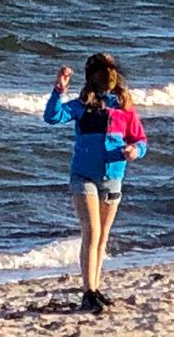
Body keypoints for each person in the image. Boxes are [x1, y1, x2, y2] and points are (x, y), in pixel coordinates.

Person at [43, 56, 149, 313]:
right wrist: (58, 90)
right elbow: (52, 116)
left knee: (102, 236)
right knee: (91, 231)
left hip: (113, 176)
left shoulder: (123, 108)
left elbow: (140, 140)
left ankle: (95, 287)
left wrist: (135, 150)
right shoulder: (82, 106)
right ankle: (88, 291)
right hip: (84, 176)